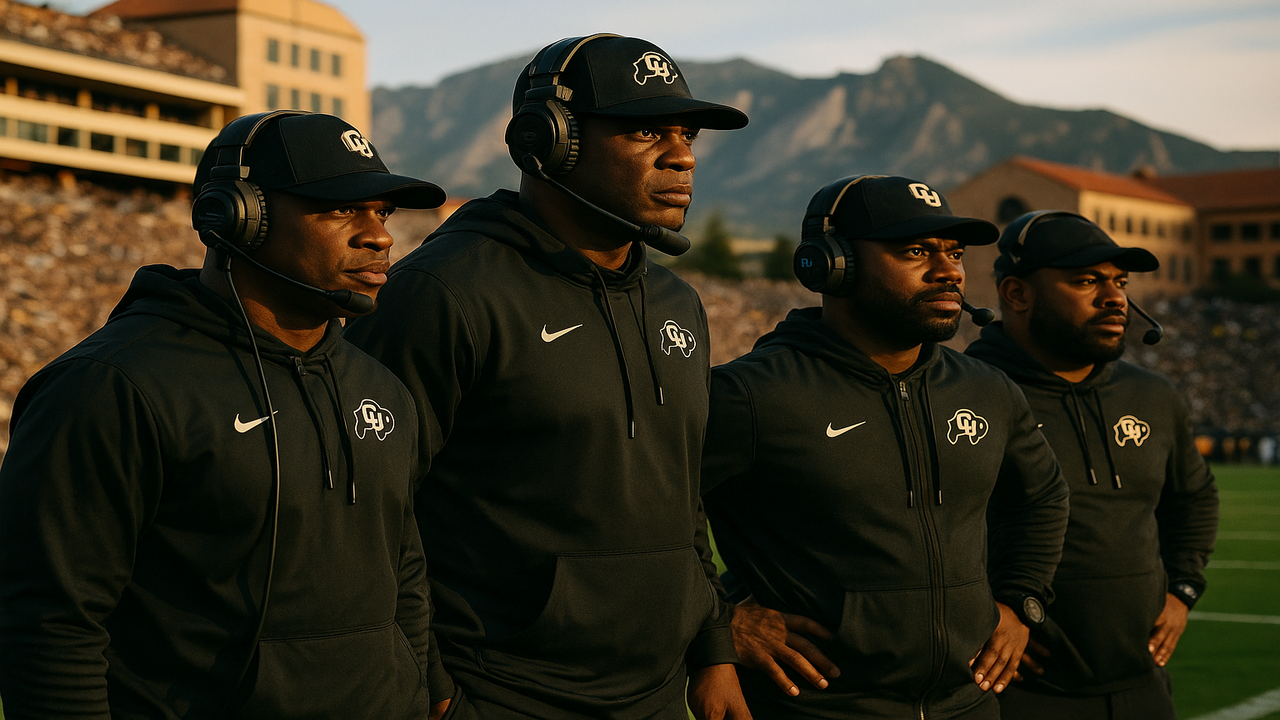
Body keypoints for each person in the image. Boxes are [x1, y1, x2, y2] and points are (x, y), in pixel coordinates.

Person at [344, 35, 750, 720]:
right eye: (645, 131)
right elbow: (366, 513)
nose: (681, 155)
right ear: (549, 140)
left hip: (656, 693)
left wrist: (713, 647)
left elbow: (679, 490)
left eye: (686, 134)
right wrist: (432, 683)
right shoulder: (442, 293)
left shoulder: (676, 301)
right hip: (502, 691)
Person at [0, 111, 454, 719]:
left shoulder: (381, 387)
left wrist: (421, 688)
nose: (379, 237)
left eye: (383, 213)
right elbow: (50, 623)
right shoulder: (110, 387)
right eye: (341, 209)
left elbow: (402, 567)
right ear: (237, 217)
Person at [701, 175, 1071, 719]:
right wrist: (720, 621)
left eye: (954, 253)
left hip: (966, 706)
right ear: (832, 264)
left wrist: (1021, 599)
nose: (950, 271)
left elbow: (1042, 498)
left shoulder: (987, 389)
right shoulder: (751, 393)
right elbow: (644, 514)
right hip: (818, 709)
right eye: (917, 251)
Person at [965, 211, 1219, 720]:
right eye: (1086, 281)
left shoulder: (1152, 395)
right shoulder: (963, 392)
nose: (1114, 298)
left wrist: (1182, 590)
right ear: (1017, 293)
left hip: (1142, 684)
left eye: (1120, 282)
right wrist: (977, 617)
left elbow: (1193, 497)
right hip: (1016, 692)